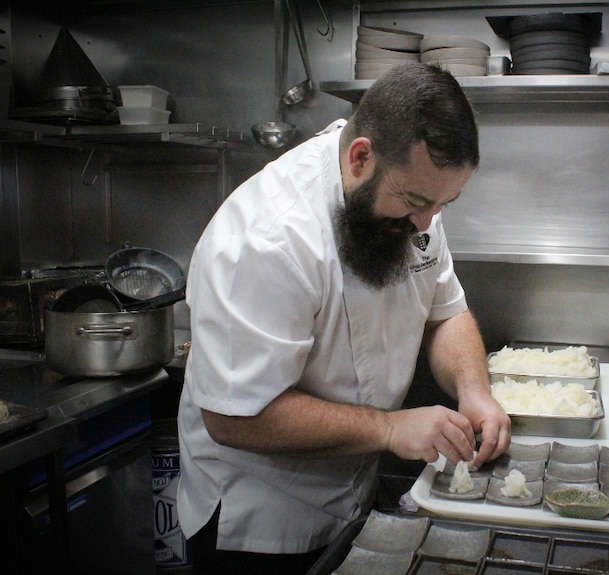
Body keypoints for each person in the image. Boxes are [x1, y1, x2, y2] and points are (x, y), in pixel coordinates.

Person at [176, 62, 511, 574]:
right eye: (418, 202)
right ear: (360, 159)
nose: (427, 223)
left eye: (444, 204)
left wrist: (474, 389)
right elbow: (233, 415)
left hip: (353, 499)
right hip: (258, 525)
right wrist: (390, 429)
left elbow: (444, 312)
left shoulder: (411, 196)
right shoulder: (269, 239)